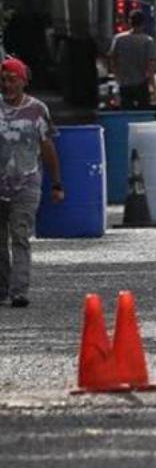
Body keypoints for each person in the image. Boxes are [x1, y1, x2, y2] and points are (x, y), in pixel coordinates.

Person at [0, 56, 63, 308]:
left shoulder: (37, 110)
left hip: (26, 184)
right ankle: (2, 287)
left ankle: (19, 290)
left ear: (23, 81)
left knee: (20, 234)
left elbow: (47, 147)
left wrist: (57, 183)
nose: (7, 85)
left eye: (12, 80)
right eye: (3, 80)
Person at [108, 10, 156, 109]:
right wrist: (152, 84)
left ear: (130, 22)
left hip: (124, 83)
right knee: (143, 111)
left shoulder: (119, 39)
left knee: (126, 110)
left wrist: (116, 75)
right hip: (141, 83)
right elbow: (150, 63)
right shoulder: (147, 41)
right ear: (143, 23)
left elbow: (112, 58)